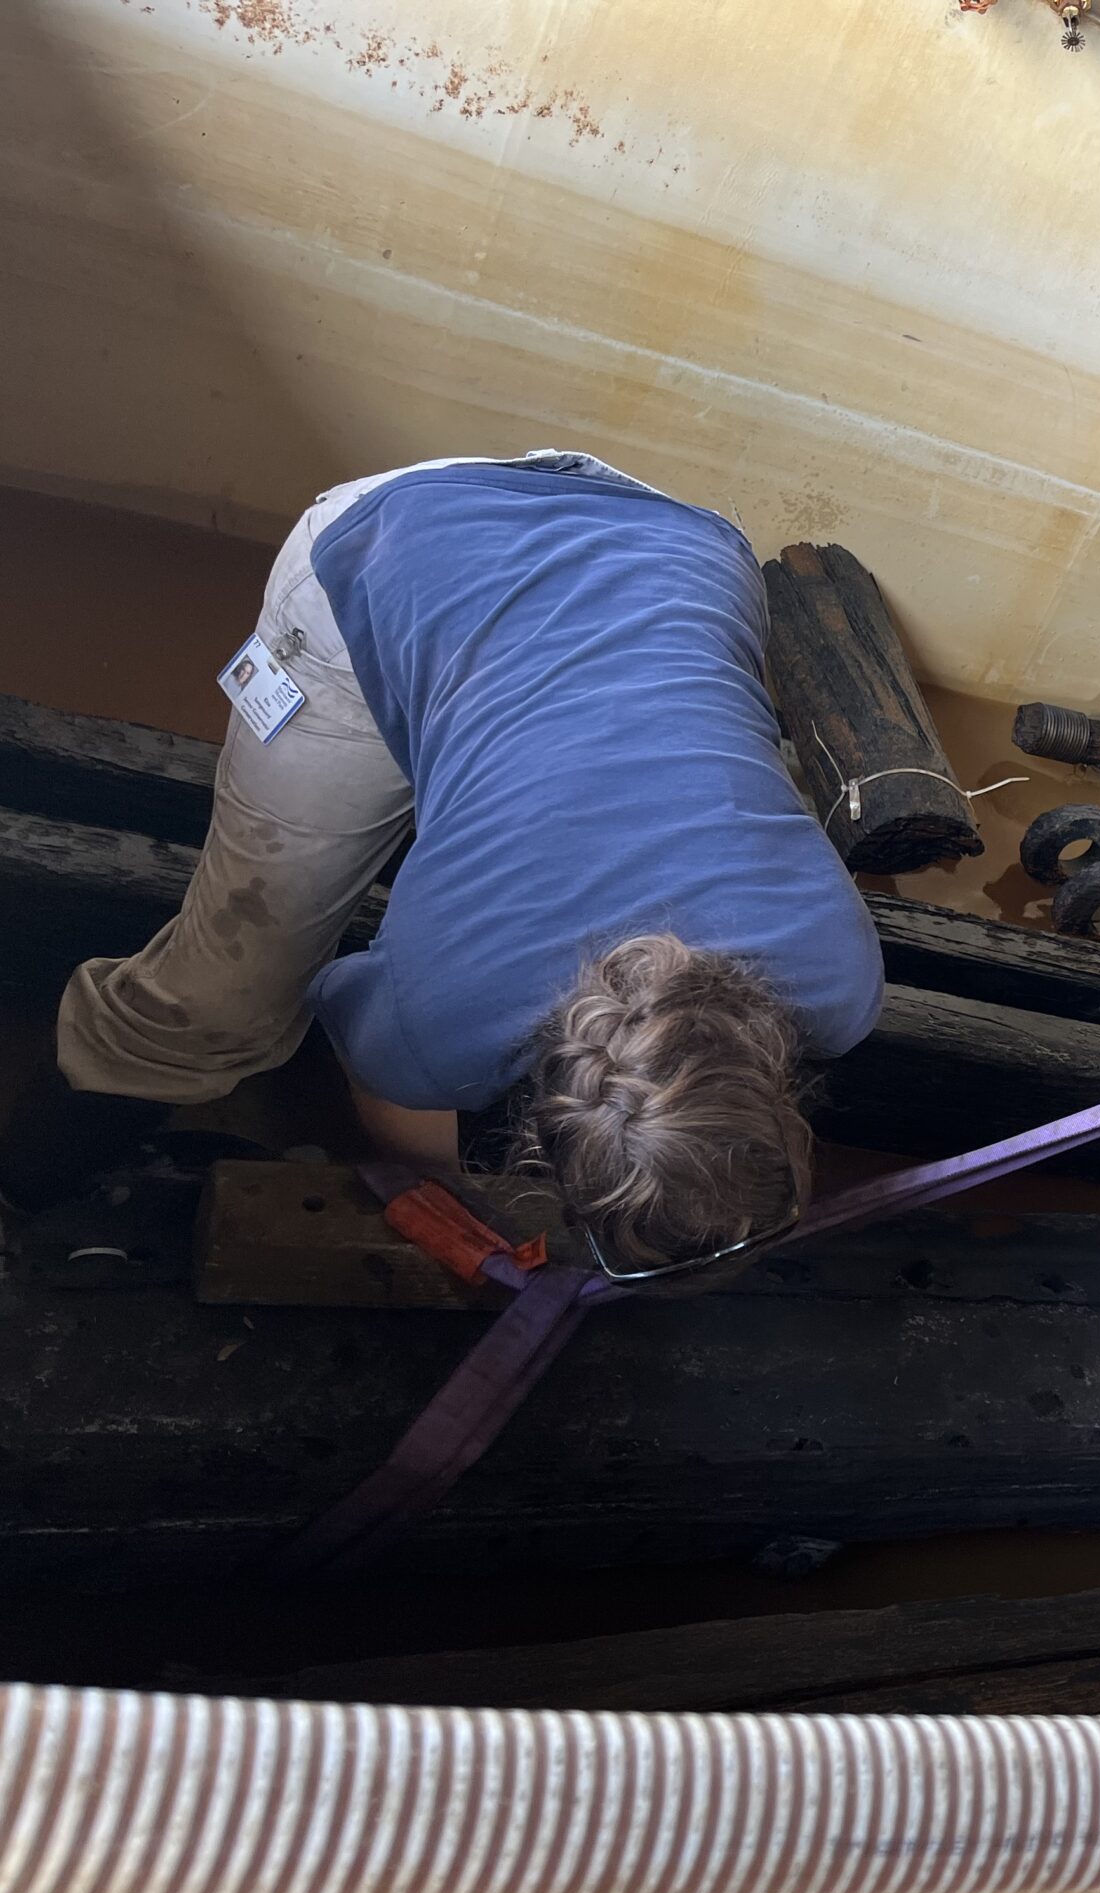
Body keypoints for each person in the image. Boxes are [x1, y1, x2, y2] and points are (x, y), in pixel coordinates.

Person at [0, 452, 882, 1281]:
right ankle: (33, 1172)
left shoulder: (844, 985)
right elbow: (373, 1053)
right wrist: (443, 1198)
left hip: (673, 542)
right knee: (223, 1000)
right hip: (391, 542)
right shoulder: (436, 1029)